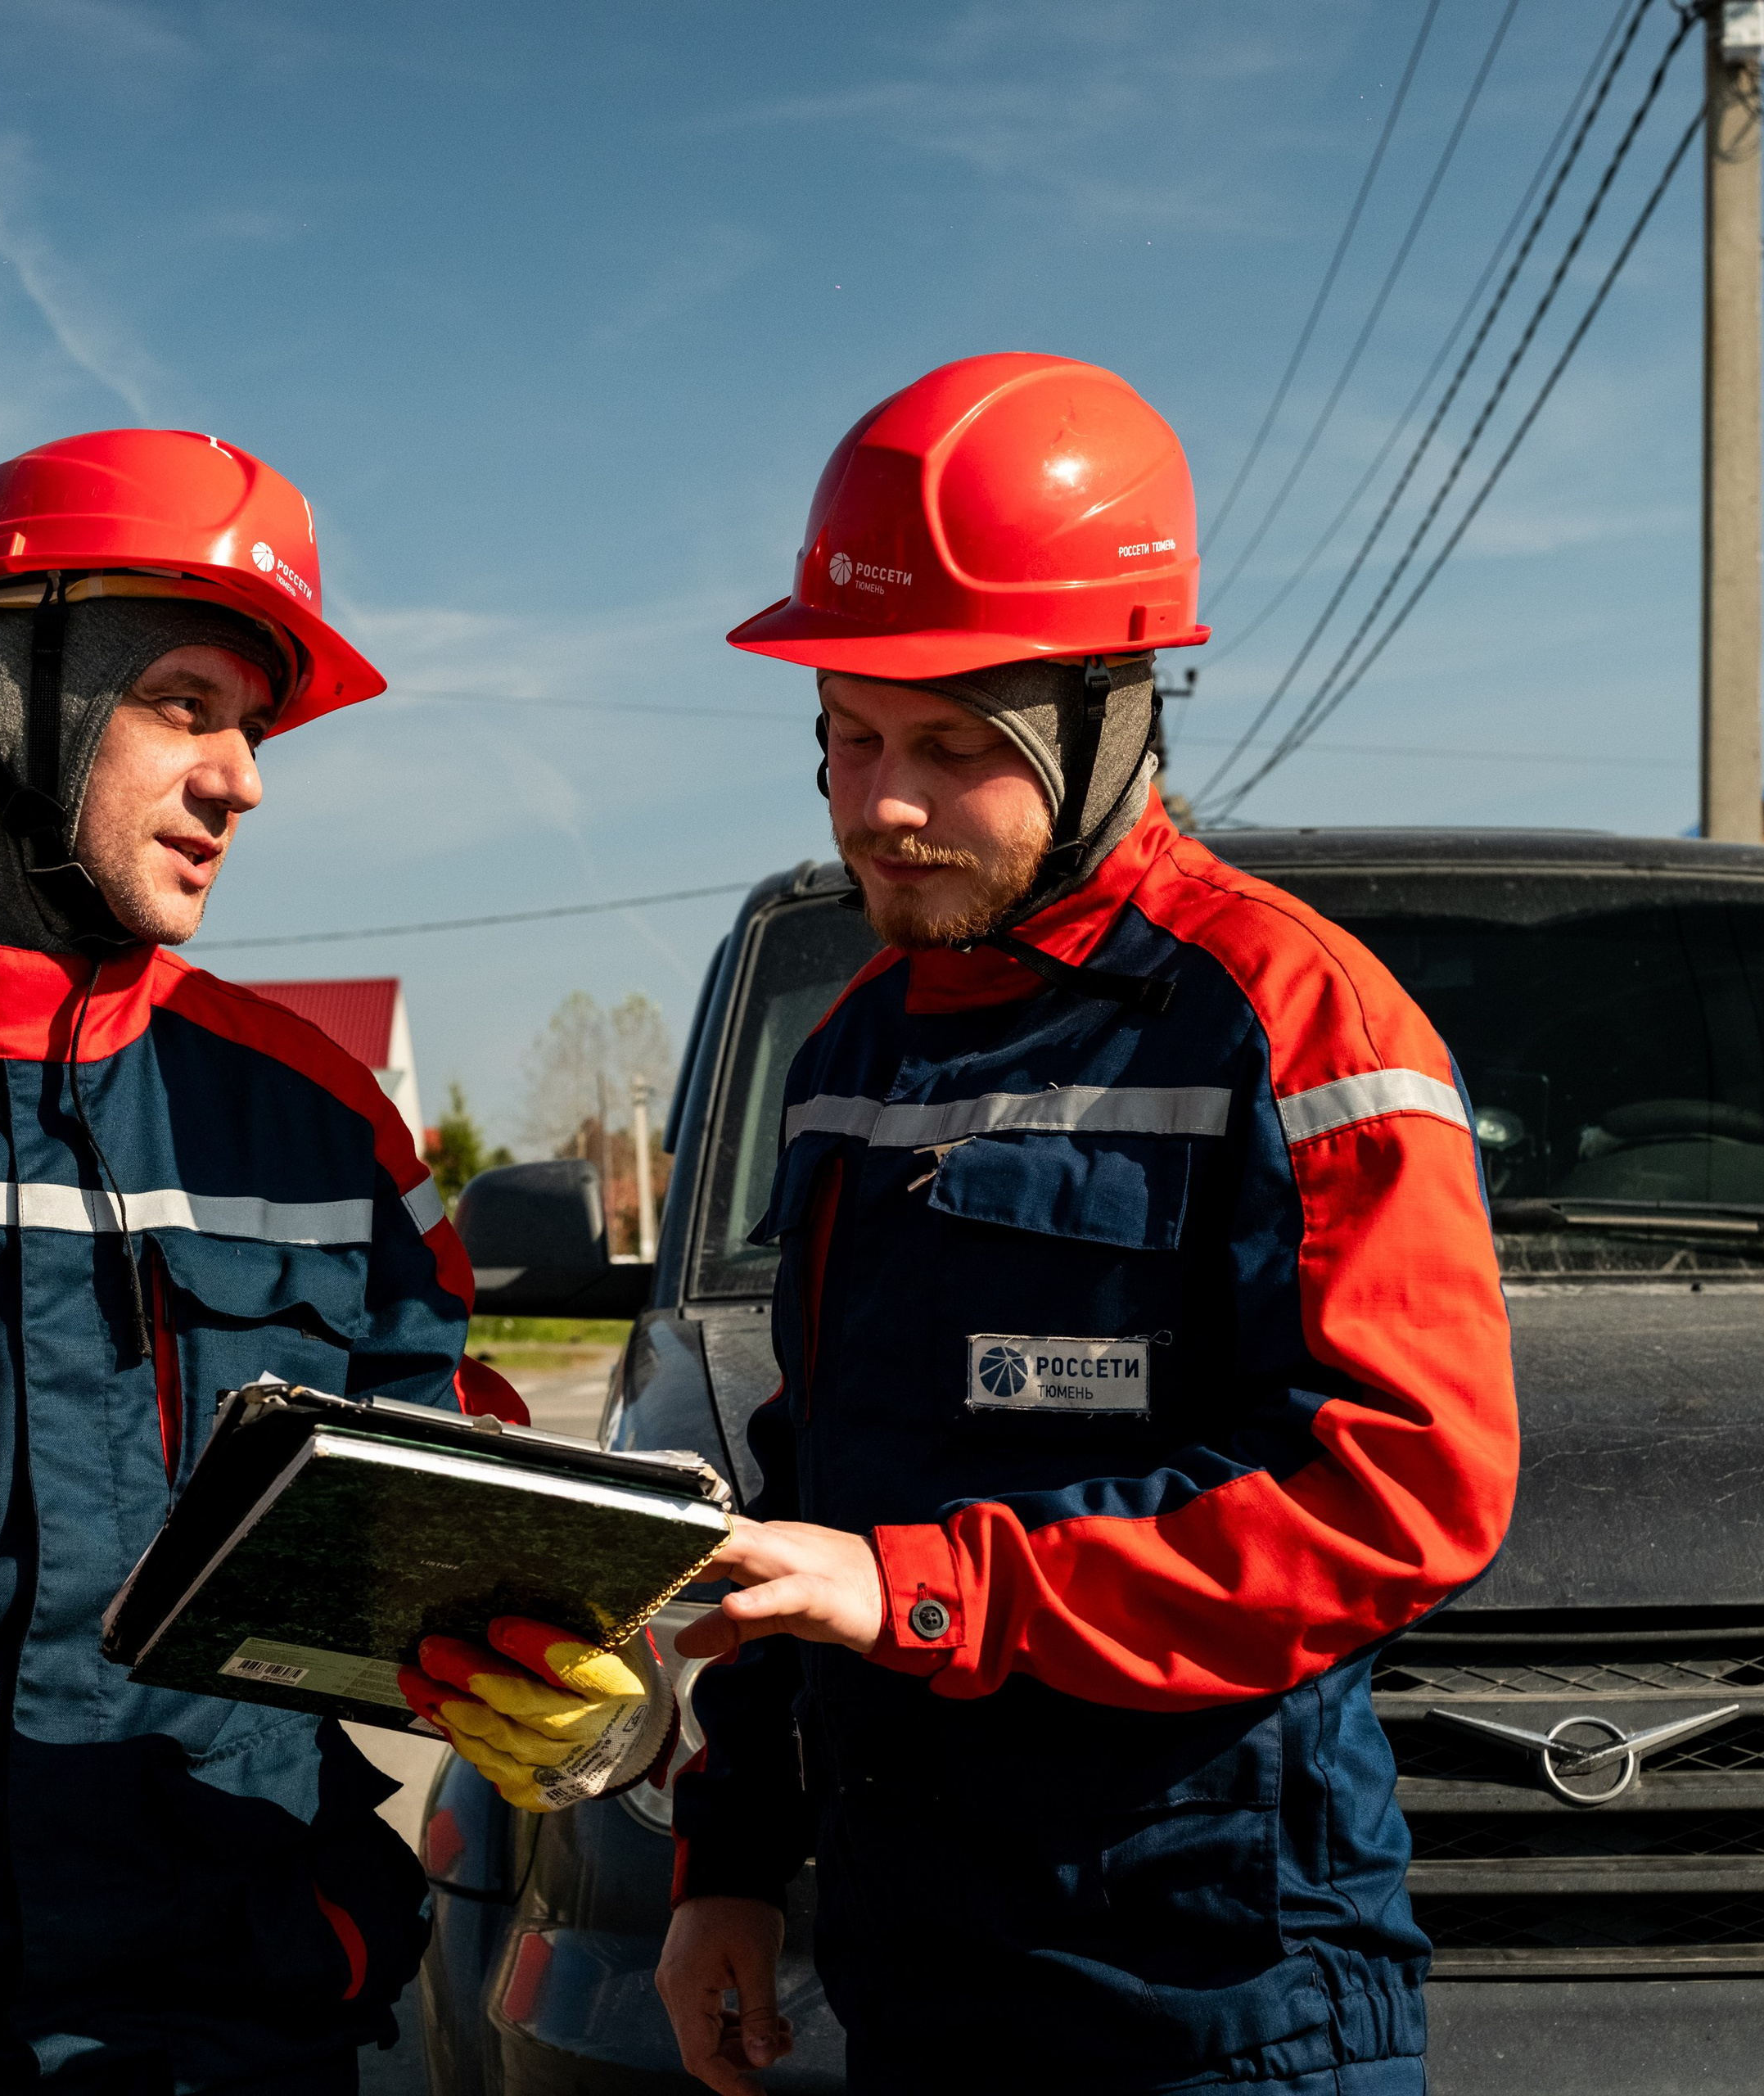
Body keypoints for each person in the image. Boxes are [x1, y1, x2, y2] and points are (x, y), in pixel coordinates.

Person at [0, 429, 665, 2094]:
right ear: (2, 691)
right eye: (186, 705)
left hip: (231, 2019)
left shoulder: (321, 1128)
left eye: (251, 728)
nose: (242, 780)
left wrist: (596, 1709)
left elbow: (470, 1542)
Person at [654, 354, 1521, 2095]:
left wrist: (928, 1591)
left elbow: (1402, 1488)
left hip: (1216, 1999)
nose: (882, 804)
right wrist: (729, 1853)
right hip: (917, 1986)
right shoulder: (848, 1056)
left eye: (955, 746)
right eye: (850, 735)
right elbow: (809, 1485)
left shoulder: (1290, 1018)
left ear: (1114, 719)